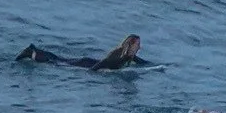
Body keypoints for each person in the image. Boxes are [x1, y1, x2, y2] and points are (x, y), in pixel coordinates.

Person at [17, 34, 150, 71]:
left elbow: (144, 63)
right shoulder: (118, 56)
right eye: (137, 45)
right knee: (57, 62)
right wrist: (90, 74)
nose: (139, 47)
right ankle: (32, 52)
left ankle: (34, 50)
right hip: (86, 64)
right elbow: (102, 64)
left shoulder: (129, 56)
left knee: (59, 59)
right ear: (130, 46)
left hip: (89, 62)